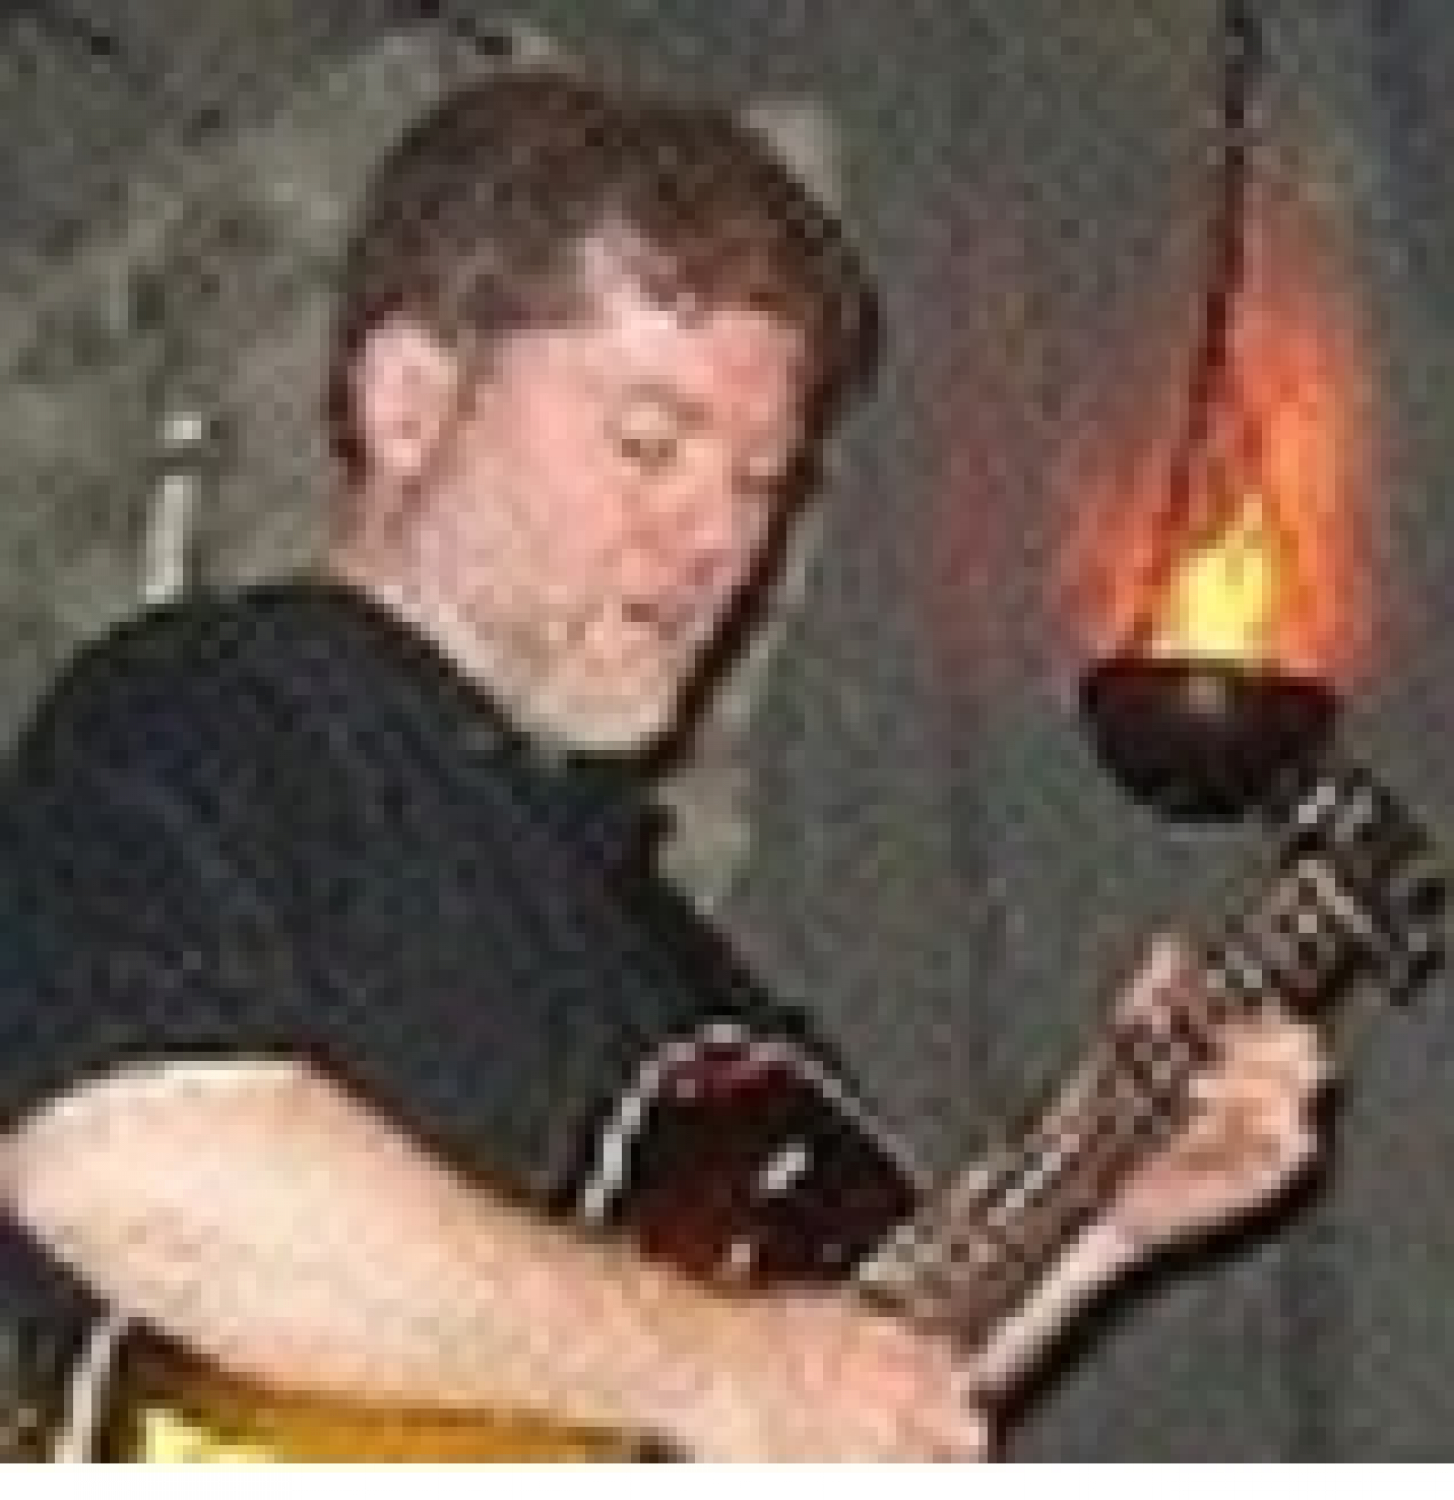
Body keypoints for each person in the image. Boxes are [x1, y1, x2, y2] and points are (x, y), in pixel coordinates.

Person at [0, 66, 1326, 1461]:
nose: (716, 538)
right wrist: (709, 1363)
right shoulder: (214, 715)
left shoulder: (677, 987)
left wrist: (1101, 1210)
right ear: (409, 403)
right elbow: (127, 1160)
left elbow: (843, 1376)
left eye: (759, 483)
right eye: (650, 442)